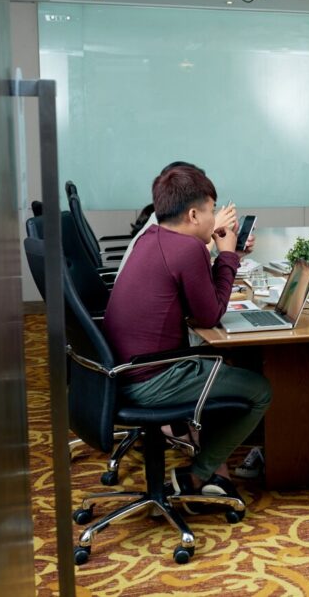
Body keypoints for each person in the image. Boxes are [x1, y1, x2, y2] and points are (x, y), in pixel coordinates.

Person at [102, 164, 272, 505]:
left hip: (120, 373)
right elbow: (209, 315)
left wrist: (228, 255)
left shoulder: (152, 237)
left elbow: (196, 298)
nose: (213, 219)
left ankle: (209, 463)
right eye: (211, 211)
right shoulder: (188, 249)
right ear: (194, 214)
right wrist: (227, 254)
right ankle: (199, 473)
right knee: (259, 389)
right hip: (152, 380)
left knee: (224, 365)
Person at [116, 161, 254, 276]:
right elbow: (196, 271)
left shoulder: (162, 225)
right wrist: (213, 231)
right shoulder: (164, 229)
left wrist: (231, 254)